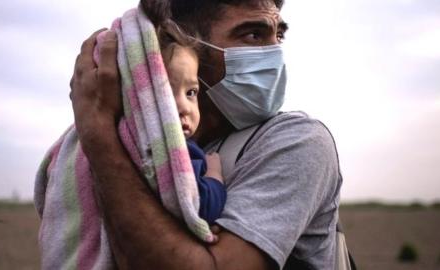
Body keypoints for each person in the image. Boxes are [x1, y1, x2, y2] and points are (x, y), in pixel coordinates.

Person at [70, 0, 343, 269]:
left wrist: (98, 134)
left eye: (279, 36)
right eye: (253, 35)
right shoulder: (150, 141)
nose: (274, 54)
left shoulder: (296, 140)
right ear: (188, 44)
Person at [157, 22, 226, 224]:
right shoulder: (181, 151)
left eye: (191, 93)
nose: (185, 107)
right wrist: (214, 175)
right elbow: (203, 206)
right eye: (165, 92)